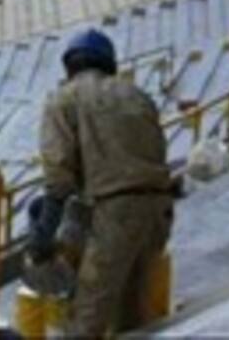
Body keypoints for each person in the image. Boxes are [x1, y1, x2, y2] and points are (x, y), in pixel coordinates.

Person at [31, 29, 174, 337]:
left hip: (116, 215)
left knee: (87, 320)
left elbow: (59, 176)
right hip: (159, 212)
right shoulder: (138, 95)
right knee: (134, 316)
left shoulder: (64, 98)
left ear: (69, 67)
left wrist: (43, 235)